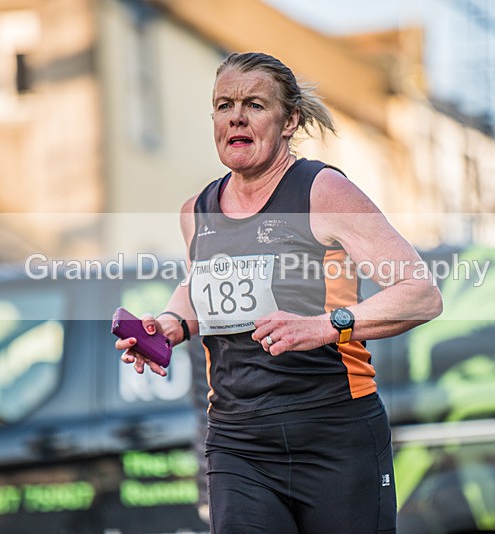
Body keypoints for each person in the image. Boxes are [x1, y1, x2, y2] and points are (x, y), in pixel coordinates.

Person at [116, 51, 443, 533]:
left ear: (289, 120)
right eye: (224, 104)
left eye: (254, 104)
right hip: (238, 441)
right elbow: (198, 287)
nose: (237, 117)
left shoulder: (321, 190)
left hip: (334, 433)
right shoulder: (197, 211)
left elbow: (421, 293)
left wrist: (325, 327)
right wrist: (168, 324)